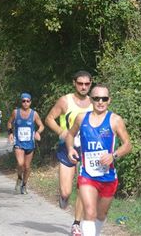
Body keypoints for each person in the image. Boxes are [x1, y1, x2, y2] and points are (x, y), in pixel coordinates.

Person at [66, 84, 131, 236]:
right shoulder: (82, 118)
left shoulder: (115, 120)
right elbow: (70, 135)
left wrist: (113, 155)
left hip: (108, 176)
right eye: (96, 98)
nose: (100, 102)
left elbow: (128, 145)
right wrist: (70, 149)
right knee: (89, 212)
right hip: (87, 174)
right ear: (91, 100)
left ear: (109, 100)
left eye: (104, 98)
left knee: (101, 215)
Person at [45, 70, 93, 236]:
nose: (83, 87)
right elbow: (49, 118)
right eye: (80, 83)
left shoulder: (96, 102)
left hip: (88, 150)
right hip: (67, 148)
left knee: (83, 186)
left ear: (91, 84)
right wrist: (62, 132)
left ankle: (76, 224)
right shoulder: (65, 101)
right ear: (74, 83)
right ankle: (63, 197)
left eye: (87, 84)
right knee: (66, 191)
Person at [7, 93, 44, 194]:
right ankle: (19, 178)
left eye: (28, 101)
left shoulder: (34, 114)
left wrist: (37, 132)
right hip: (19, 143)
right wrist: (10, 133)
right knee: (20, 163)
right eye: (23, 101)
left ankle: (24, 185)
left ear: (30, 102)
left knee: (27, 167)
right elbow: (9, 122)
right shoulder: (16, 112)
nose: (25, 103)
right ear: (21, 102)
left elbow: (41, 125)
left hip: (30, 144)